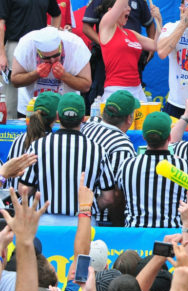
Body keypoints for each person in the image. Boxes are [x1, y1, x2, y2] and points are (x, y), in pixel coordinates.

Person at [18, 93, 115, 225]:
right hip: (82, 221)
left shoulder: (38, 146)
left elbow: (24, 190)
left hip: (45, 222)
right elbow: (108, 198)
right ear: (83, 118)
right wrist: (90, 208)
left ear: (58, 116)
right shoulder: (98, 150)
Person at [82, 0, 156, 104]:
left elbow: (156, 45)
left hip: (136, 86)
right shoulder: (103, 2)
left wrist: (159, 22)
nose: (128, 8)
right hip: (115, 84)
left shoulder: (131, 32)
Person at [0, 0, 62, 119]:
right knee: (13, 86)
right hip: (15, 45)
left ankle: (40, 123)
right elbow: (1, 22)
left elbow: (56, 14)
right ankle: (10, 127)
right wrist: (2, 54)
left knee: (40, 83)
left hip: (39, 47)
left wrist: (52, 37)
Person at [116, 111, 188, 228]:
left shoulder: (126, 165)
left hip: (135, 234)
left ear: (143, 137)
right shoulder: (186, 166)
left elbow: (120, 197)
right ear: (169, 137)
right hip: (173, 235)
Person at [80, 90, 139, 226]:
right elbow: (117, 194)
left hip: (75, 206)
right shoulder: (122, 146)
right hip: (100, 218)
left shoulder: (88, 125)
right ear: (129, 119)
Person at [10, 26, 91, 118]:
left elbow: (86, 86)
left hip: (65, 110)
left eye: (56, 55)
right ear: (38, 51)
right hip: (31, 108)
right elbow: (15, 80)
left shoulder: (75, 45)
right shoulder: (26, 44)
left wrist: (64, 76)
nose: (52, 61)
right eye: (46, 58)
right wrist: (35, 74)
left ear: (60, 45)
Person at [3, 91, 59, 189]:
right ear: (57, 116)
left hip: (13, 198)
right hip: (36, 201)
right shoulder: (53, 143)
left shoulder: (18, 139)